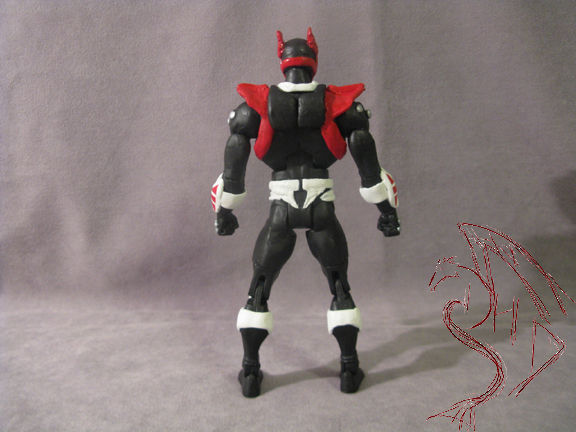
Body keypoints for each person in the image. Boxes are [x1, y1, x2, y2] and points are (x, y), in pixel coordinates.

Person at [211, 28, 400, 397]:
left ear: (283, 62)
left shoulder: (258, 106)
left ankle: (250, 371)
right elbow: (366, 159)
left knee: (258, 290)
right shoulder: (336, 105)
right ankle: (349, 368)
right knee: (339, 286)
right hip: (320, 203)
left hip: (281, 206)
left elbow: (235, 156)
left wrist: (225, 211)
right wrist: (386, 211)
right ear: (313, 62)